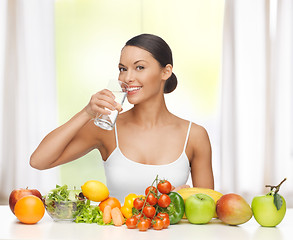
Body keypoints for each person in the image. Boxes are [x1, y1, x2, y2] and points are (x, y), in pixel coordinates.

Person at [30, 33, 214, 203]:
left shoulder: (194, 135)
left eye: (139, 67)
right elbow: (39, 161)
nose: (127, 77)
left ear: (165, 72)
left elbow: (207, 208)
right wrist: (86, 112)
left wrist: (179, 200)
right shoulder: (106, 128)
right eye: (122, 69)